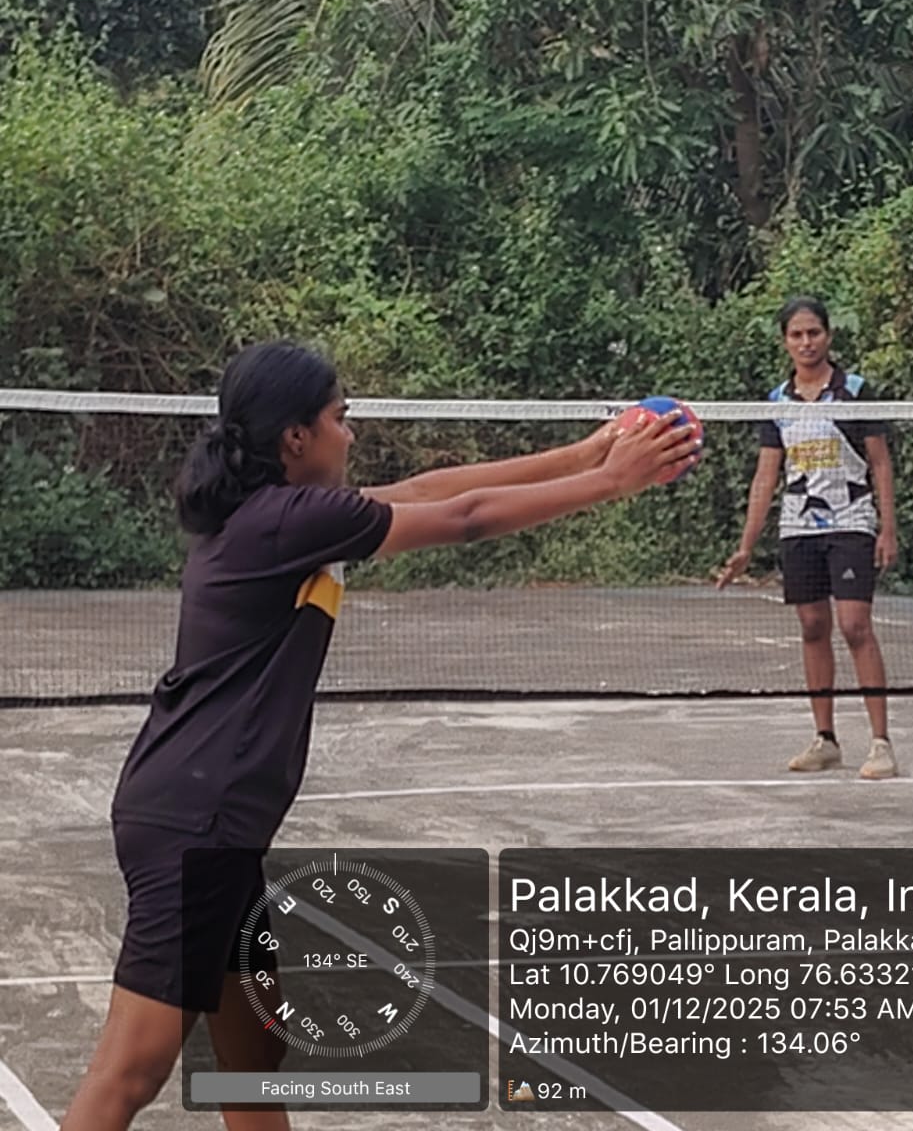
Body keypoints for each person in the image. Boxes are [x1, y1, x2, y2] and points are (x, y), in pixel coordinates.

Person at [61, 341, 698, 1131]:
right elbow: (463, 517)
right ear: (296, 436)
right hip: (198, 822)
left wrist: (588, 452)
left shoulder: (279, 514)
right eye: (341, 417)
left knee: (254, 1054)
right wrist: (610, 481)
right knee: (132, 1070)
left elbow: (430, 490)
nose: (351, 433)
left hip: (202, 816)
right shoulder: (288, 520)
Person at [716, 296, 900, 780]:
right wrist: (746, 546)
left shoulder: (855, 392)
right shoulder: (777, 401)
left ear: (828, 336)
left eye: (813, 333)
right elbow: (765, 477)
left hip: (852, 522)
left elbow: (880, 462)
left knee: (855, 626)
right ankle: (825, 739)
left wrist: (887, 528)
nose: (806, 342)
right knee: (813, 626)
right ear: (785, 342)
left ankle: (881, 743)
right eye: (796, 335)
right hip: (798, 527)